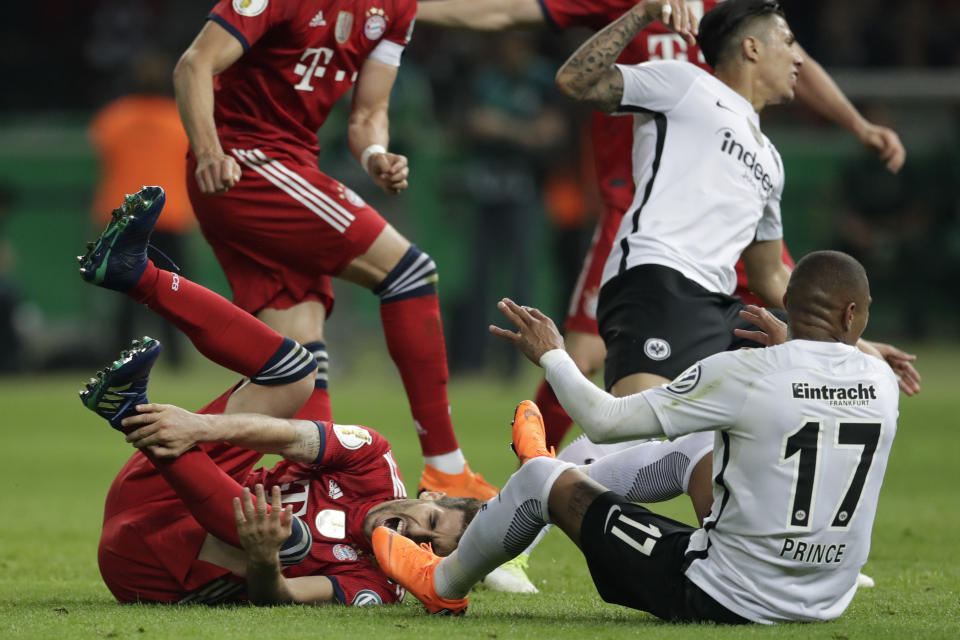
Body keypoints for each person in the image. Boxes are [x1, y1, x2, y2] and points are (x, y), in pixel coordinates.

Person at [417, 0, 908, 450]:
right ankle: (529, 485)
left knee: (726, 436)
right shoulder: (684, 83)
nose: (799, 58)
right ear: (753, 48)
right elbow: (572, 78)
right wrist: (642, 11)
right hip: (658, 274)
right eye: (788, 45)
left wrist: (860, 346)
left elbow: (773, 278)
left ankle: (724, 544)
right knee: (624, 435)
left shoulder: (770, 160)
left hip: (718, 302)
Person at [373, 249, 900, 623]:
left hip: (726, 596)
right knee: (699, 447)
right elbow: (821, 377)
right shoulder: (881, 380)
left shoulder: (749, 372)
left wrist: (553, 354)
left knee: (537, 478)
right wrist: (795, 348)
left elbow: (605, 420)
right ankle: (551, 482)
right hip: (828, 597)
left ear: (789, 299)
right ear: (852, 314)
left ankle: (441, 586)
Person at [79, 186, 482, 605]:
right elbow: (286, 436)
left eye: (431, 548)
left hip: (146, 567)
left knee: (289, 540)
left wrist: (265, 559)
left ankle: (133, 414)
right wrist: (198, 426)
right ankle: (135, 275)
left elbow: (283, 597)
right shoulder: (372, 460)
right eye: (431, 521)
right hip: (160, 489)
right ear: (429, 497)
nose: (417, 534)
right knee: (295, 373)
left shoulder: (380, 586)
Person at [173, 0, 496, 499]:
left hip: (289, 163)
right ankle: (447, 472)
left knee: (296, 362)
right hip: (247, 161)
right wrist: (211, 151)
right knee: (410, 272)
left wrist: (374, 154)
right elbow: (193, 63)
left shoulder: (394, 8)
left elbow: (369, 113)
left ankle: (265, 494)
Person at [89, 51, 195, 367]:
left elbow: (102, 154)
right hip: (170, 214)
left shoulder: (112, 118)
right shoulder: (180, 120)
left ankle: (121, 357)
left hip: (123, 217)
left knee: (125, 293)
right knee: (173, 293)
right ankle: (176, 359)